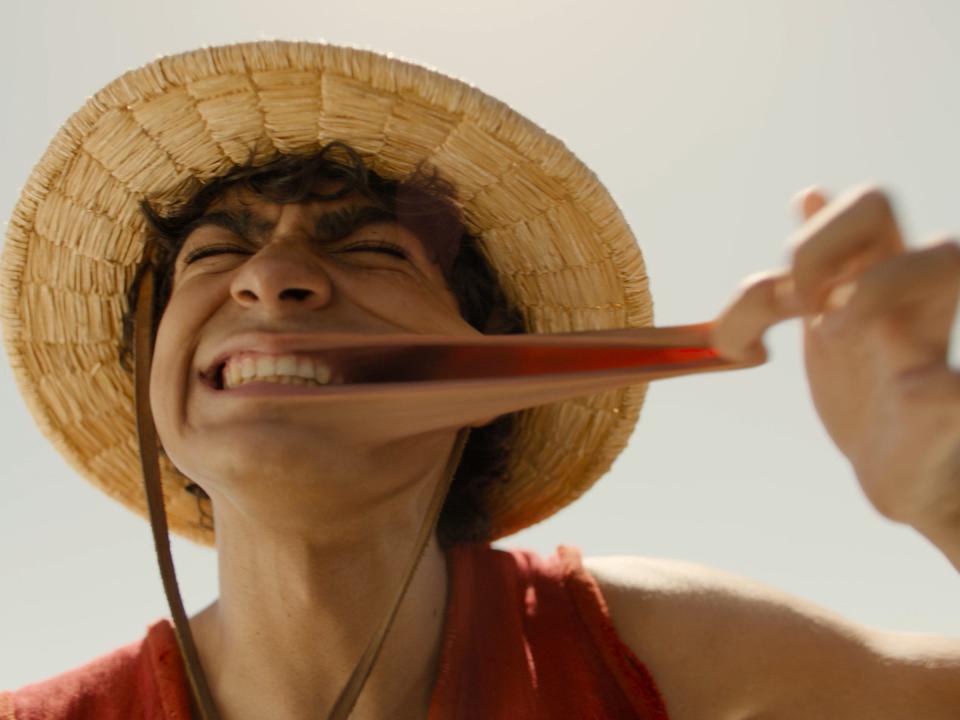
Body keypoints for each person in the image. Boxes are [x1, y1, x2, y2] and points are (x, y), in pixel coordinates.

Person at [1, 40, 958, 720]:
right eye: (216, 253)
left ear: (494, 353)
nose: (271, 276)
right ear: (153, 377)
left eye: (373, 251)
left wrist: (950, 506)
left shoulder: (657, 656)